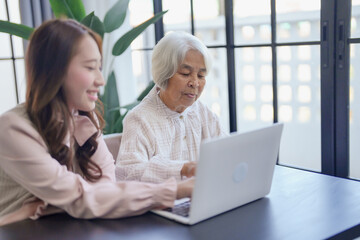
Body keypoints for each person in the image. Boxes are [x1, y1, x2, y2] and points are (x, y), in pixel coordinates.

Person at [0, 19, 193, 226]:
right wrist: (176, 190)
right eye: (91, 67)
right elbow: (81, 198)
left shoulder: (83, 121)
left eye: (99, 67)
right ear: (55, 71)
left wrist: (46, 205)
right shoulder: (13, 128)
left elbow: (105, 191)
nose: (101, 80)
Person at [116, 31, 227, 183]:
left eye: (201, 76)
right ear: (164, 74)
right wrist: (182, 169)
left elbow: (227, 153)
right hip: (162, 203)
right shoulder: (140, 118)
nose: (195, 83)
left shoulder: (203, 112)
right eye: (185, 73)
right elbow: (128, 173)